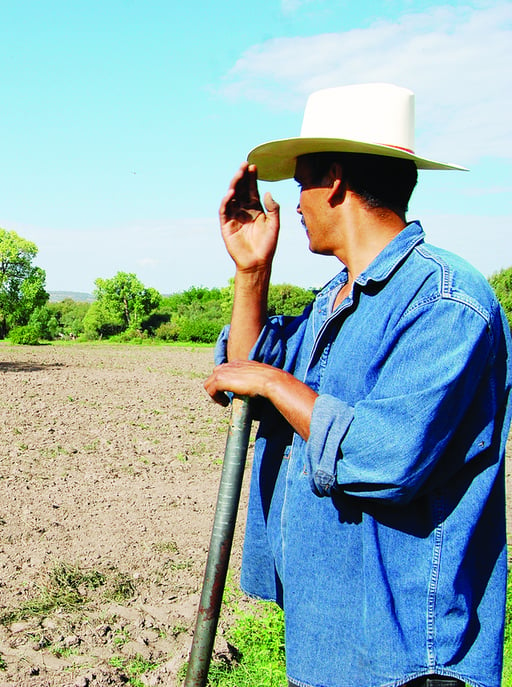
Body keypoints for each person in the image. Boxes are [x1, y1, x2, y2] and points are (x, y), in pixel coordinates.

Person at [203, 83, 511, 687]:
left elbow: (384, 456)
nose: (294, 207)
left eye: (300, 187)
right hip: (329, 639)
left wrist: (272, 381)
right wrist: (251, 272)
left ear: (336, 181)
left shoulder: (446, 302)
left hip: (407, 658)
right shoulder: (332, 302)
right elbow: (245, 380)